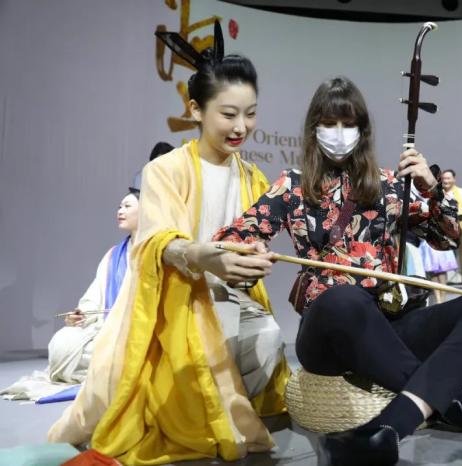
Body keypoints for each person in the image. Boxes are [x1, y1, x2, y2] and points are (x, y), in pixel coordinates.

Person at [215, 76, 462, 465]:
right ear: (314, 128)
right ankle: (460, 406)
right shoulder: (292, 186)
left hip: (387, 327)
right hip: (326, 335)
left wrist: (431, 187)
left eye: (348, 123)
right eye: (329, 123)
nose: (338, 132)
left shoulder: (390, 186)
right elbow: (232, 238)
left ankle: (393, 425)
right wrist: (252, 250)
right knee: (343, 300)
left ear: (362, 130)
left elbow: (447, 239)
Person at [49, 22, 289, 465]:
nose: (241, 127)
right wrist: (203, 256)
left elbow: (257, 239)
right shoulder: (164, 170)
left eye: (251, 113)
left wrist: (255, 259)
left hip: (232, 298)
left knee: (269, 338)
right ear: (195, 109)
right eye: (228, 114)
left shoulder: (253, 177)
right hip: (174, 295)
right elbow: (156, 241)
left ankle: (217, 410)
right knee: (115, 370)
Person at [0, 193, 138, 401]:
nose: (120, 211)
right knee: (62, 341)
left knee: (112, 352)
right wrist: (82, 315)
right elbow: (95, 296)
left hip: (136, 330)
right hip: (105, 326)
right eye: (119, 206)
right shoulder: (113, 254)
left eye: (127, 206)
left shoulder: (154, 252)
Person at [441, 169, 462, 284]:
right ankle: (451, 279)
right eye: (444, 178)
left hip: (461, 229)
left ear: (454, 179)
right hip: (445, 230)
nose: (446, 181)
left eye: (448, 178)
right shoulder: (438, 193)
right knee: (447, 255)